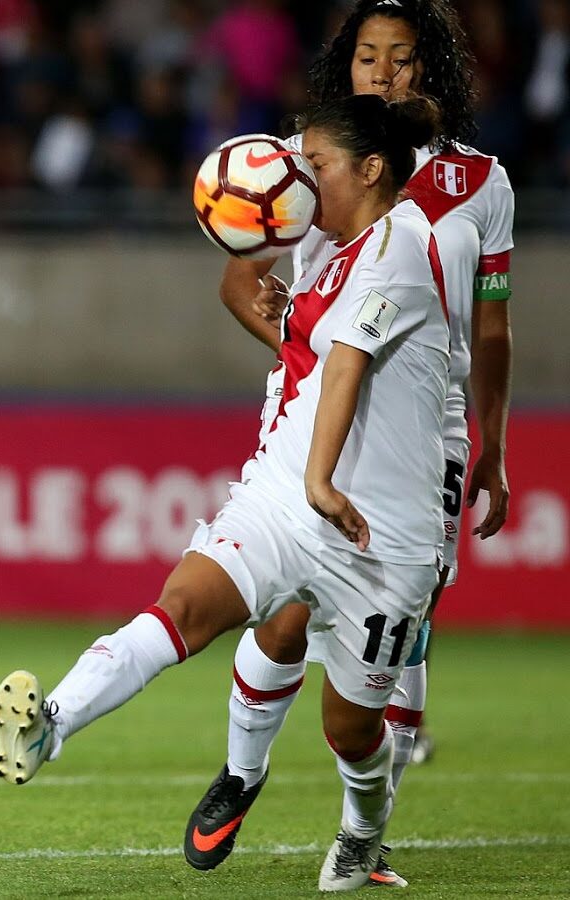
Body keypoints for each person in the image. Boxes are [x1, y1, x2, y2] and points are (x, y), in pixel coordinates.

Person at [0, 94, 449, 893]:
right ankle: (50, 725)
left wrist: (321, 475)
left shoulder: (405, 246)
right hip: (286, 498)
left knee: (350, 732)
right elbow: (308, 349)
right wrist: (290, 353)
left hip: (380, 539)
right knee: (182, 608)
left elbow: (346, 365)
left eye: (317, 167)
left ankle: (362, 832)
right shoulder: (331, 246)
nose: (300, 181)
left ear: (371, 170)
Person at [188, 0, 515, 884]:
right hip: (320, 421)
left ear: (430, 68)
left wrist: (493, 441)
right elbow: (238, 278)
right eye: (368, 55)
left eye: (402, 57)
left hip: (430, 435)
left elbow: (490, 332)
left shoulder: (482, 183)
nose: (383, 71)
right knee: (286, 614)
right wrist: (304, 346)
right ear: (349, 65)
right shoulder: (305, 162)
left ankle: (359, 836)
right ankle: (240, 776)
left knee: (398, 640)